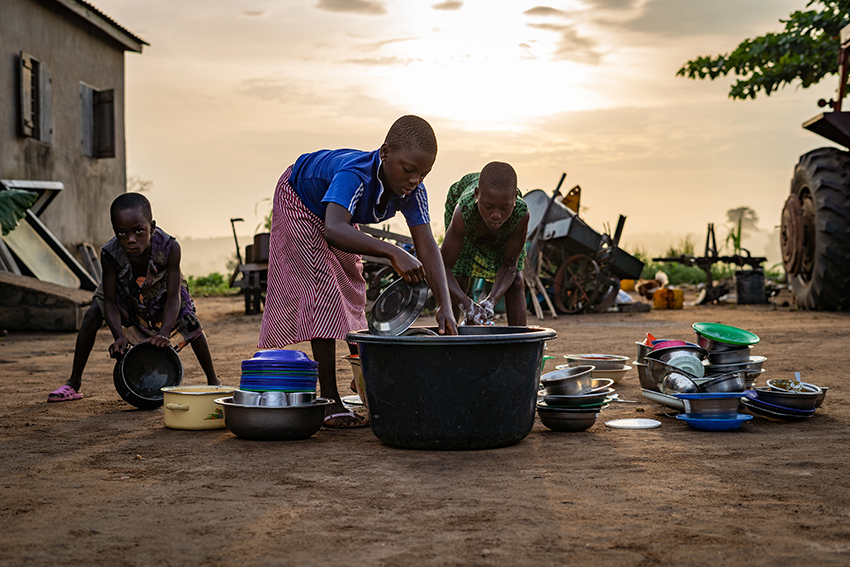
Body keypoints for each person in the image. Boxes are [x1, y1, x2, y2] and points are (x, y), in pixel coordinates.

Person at [258, 115, 458, 428]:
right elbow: (334, 229)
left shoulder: (413, 192)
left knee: (352, 285)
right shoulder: (355, 175)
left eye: (424, 173)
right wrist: (393, 252)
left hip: (333, 216)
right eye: (408, 169)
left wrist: (445, 306)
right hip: (300, 199)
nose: (415, 180)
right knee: (322, 292)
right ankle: (329, 401)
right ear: (385, 152)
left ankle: (362, 375)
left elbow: (428, 247)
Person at [47, 193, 219, 402]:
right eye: (121, 233)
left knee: (190, 322)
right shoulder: (110, 254)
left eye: (139, 231)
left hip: (164, 291)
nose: (130, 239)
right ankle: (73, 383)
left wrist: (164, 333)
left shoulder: (170, 247)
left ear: (152, 227)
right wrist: (118, 335)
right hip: (125, 290)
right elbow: (109, 300)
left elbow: (174, 297)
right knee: (93, 312)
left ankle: (214, 383)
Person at [440, 162, 530, 327]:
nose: (496, 215)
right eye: (488, 207)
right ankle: (447, 339)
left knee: (516, 280)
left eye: (505, 208)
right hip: (468, 219)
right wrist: (467, 305)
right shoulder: (463, 212)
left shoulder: (520, 214)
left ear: (515, 197)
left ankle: (520, 343)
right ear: (477, 195)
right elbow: (443, 267)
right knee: (458, 275)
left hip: (505, 231)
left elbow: (509, 265)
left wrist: (491, 301)